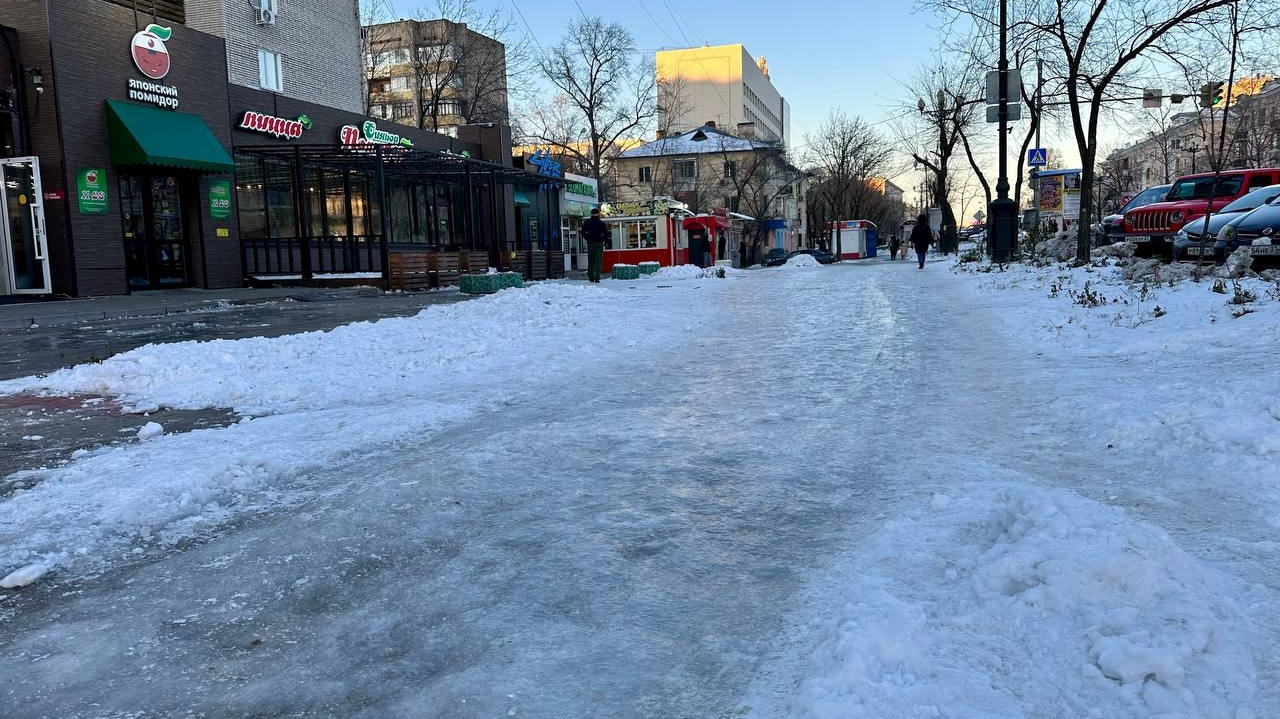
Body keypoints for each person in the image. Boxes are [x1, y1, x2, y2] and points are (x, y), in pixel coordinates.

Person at [581, 208, 609, 283]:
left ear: (591, 213)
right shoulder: (601, 223)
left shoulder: (587, 222)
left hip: (590, 243)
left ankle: (590, 277)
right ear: (598, 213)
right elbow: (606, 233)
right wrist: (605, 240)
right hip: (599, 243)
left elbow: (583, 231)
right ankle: (597, 277)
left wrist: (587, 238)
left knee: (591, 261)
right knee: (598, 261)